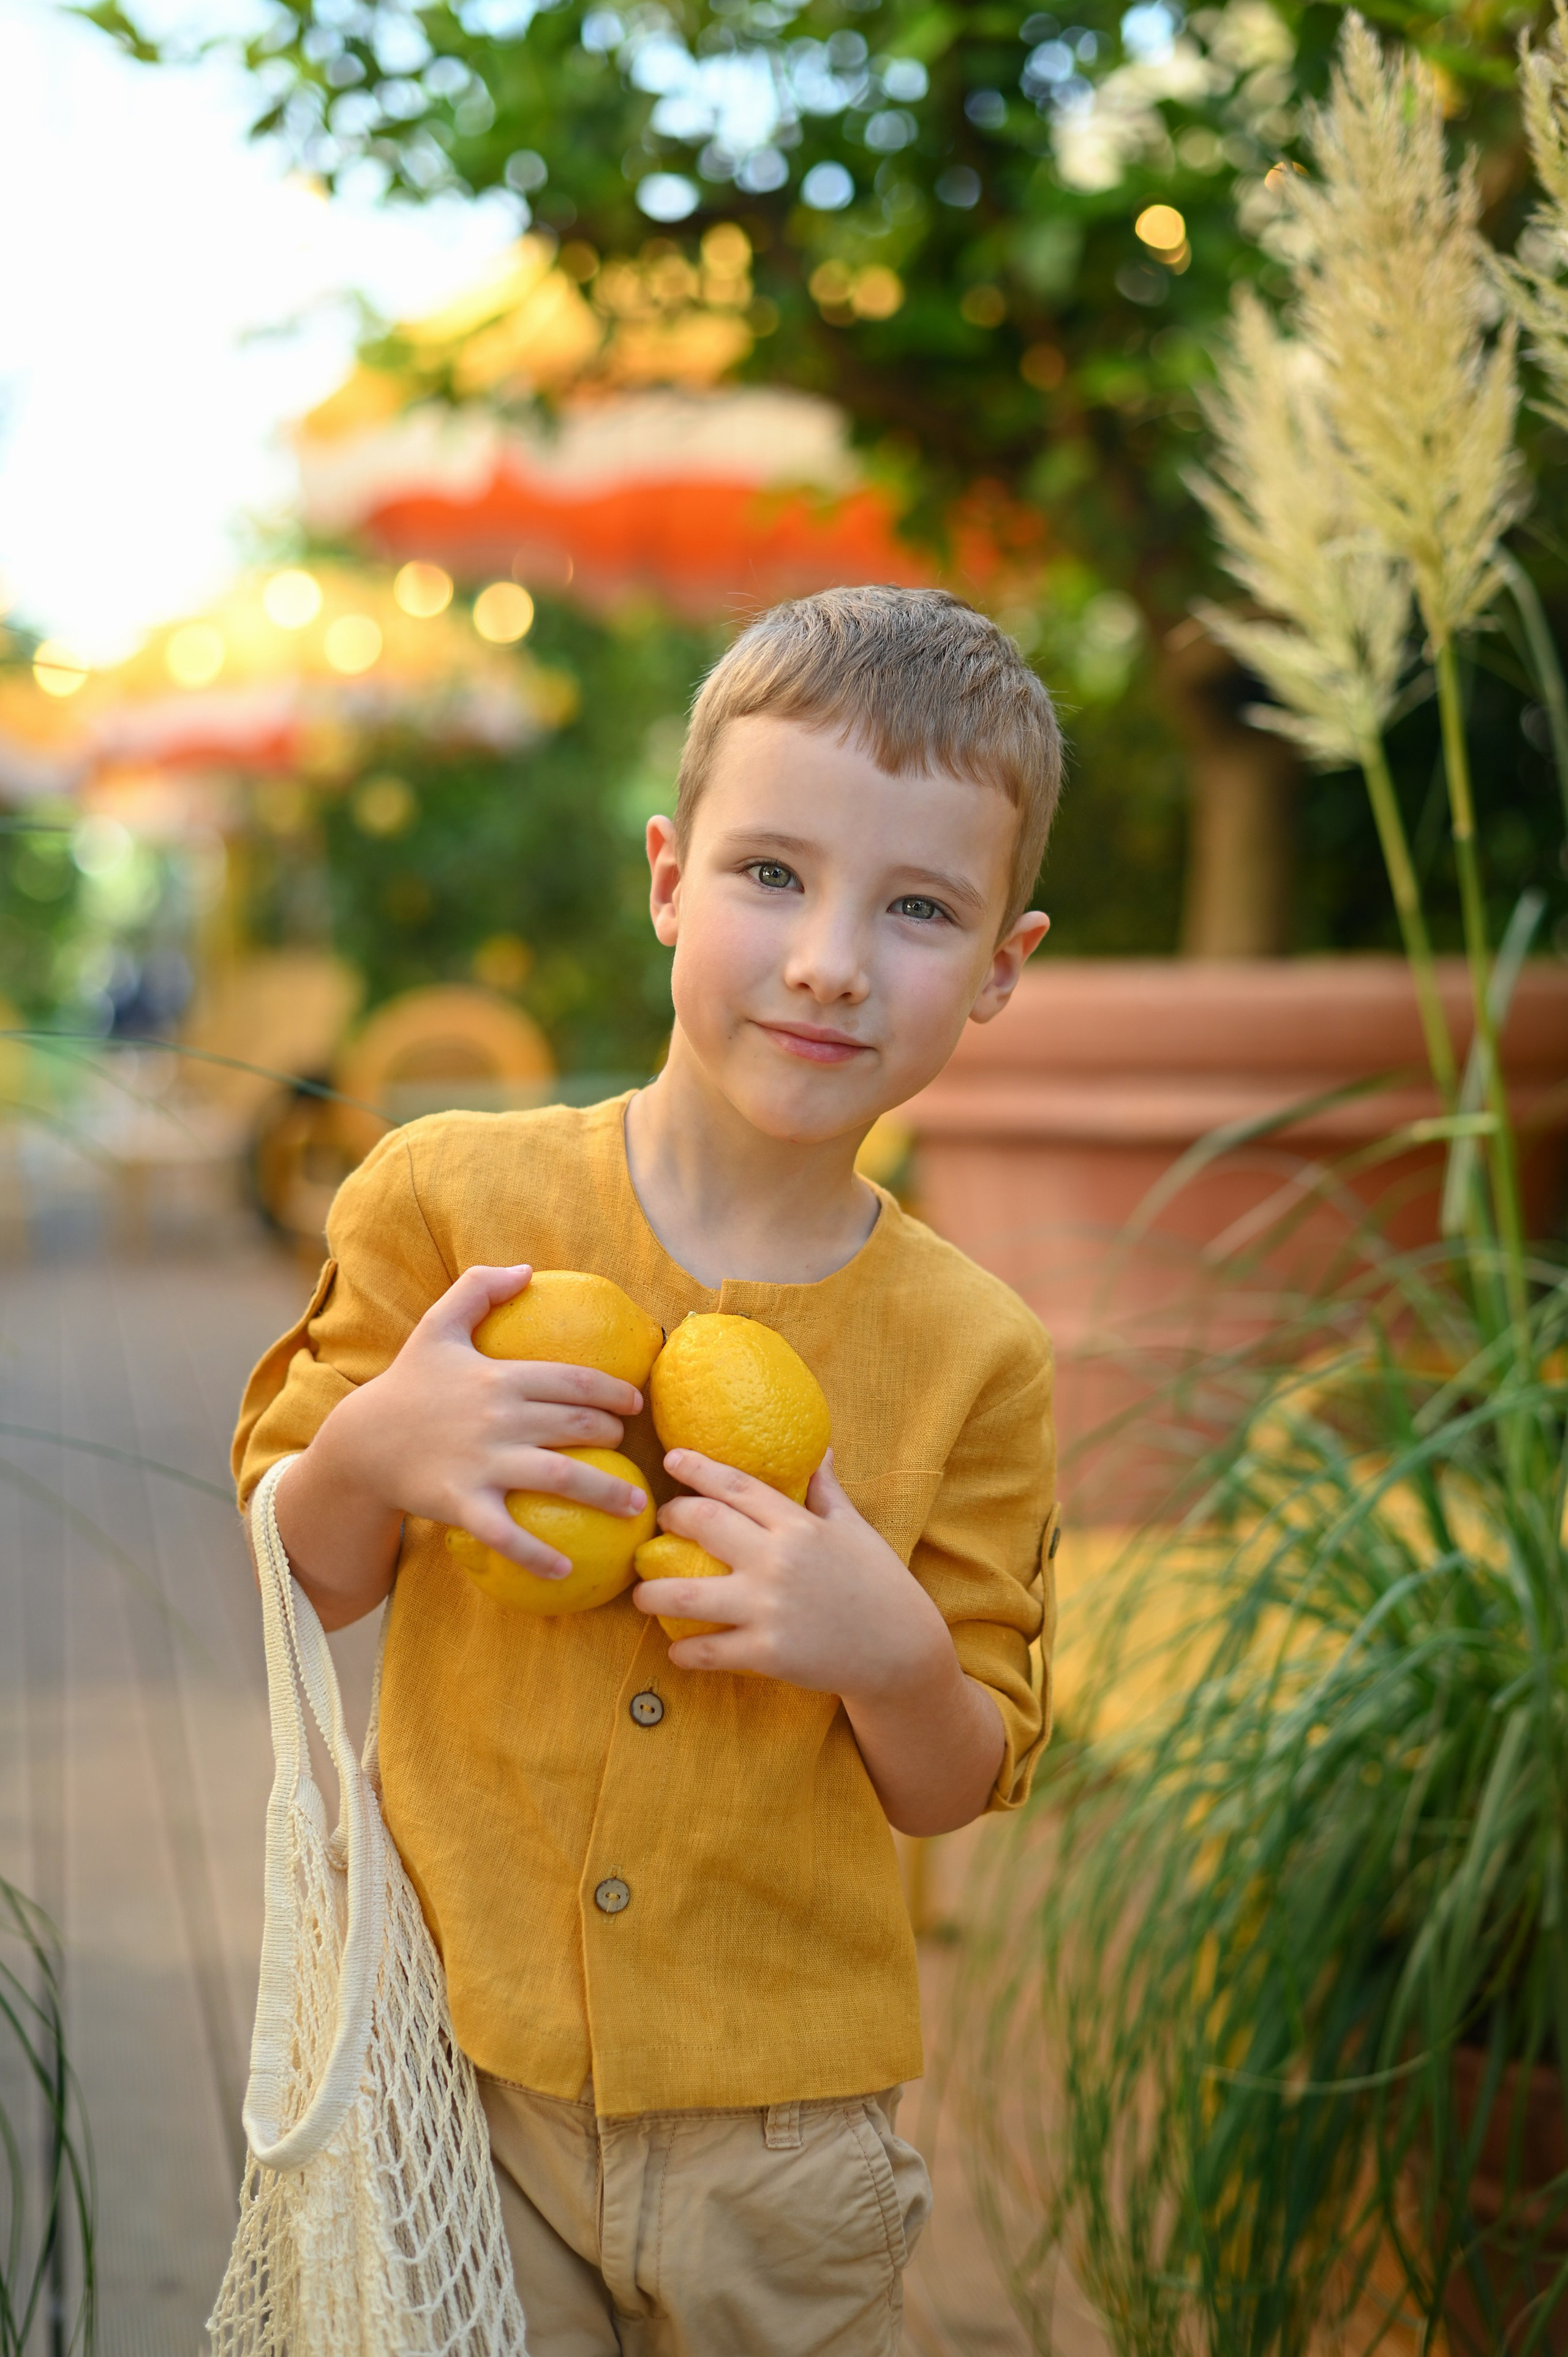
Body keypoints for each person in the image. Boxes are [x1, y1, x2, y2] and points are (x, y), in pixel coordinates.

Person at [233, 583, 1063, 2356]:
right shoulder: (453, 1205)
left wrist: (888, 1645)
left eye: (918, 909)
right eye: (774, 874)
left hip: (786, 2136)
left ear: (1003, 966)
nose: (833, 956)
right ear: (672, 877)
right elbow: (302, 1573)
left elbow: (960, 1768)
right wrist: (381, 1447)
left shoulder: (976, 1350)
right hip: (456, 2070)